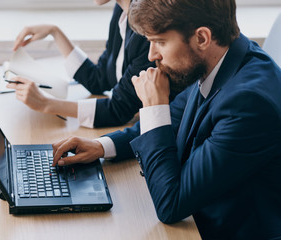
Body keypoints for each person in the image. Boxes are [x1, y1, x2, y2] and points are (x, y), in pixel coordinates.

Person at [51, 0, 281, 238]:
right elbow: (170, 120)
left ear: (202, 38)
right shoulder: (217, 58)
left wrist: (152, 105)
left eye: (159, 42)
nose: (152, 55)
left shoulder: (249, 104)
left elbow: (170, 204)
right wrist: (102, 146)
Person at [7, 0, 157, 128]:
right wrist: (55, 32)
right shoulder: (122, 12)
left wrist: (45, 104)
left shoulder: (148, 30)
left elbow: (119, 110)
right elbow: (99, 79)